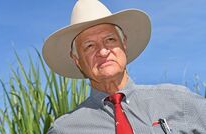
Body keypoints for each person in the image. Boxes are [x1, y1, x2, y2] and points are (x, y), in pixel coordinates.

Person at [42, 0, 206, 133]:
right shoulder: (64, 129)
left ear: (124, 44)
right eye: (90, 46)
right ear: (77, 60)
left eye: (110, 40)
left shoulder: (180, 101)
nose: (103, 51)